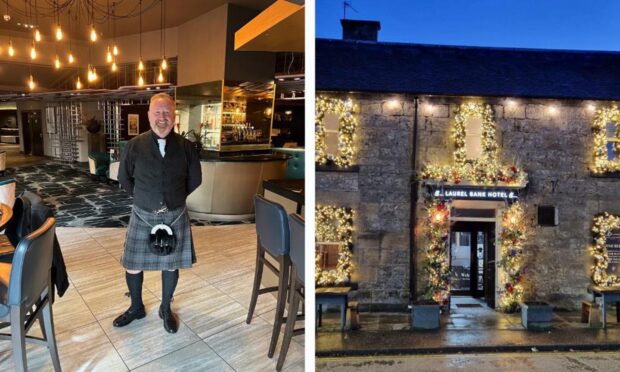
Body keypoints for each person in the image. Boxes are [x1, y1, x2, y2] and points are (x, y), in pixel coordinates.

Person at [114, 92, 202, 333]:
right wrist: (144, 199)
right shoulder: (134, 145)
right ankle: (136, 307)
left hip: (175, 213)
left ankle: (165, 308)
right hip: (142, 212)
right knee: (132, 263)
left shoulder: (185, 146)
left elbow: (195, 179)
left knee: (171, 264)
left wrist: (174, 199)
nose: (162, 117)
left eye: (167, 112)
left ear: (173, 116)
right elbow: (124, 178)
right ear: (149, 115)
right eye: (157, 112)